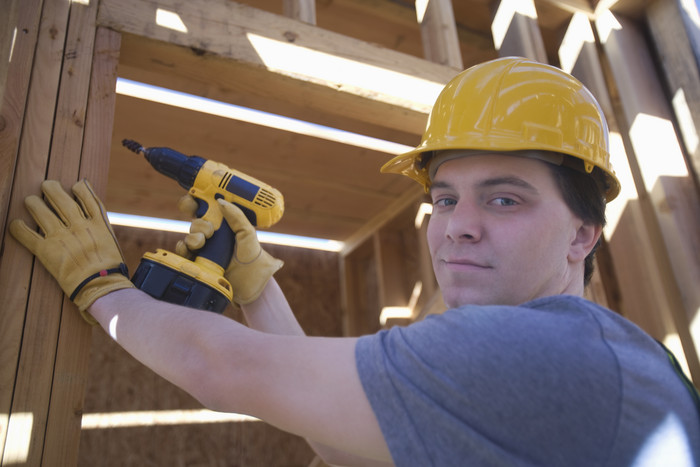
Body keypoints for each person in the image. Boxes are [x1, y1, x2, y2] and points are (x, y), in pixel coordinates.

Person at [10, 57, 700, 466]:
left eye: (506, 200)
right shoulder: (576, 365)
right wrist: (256, 281)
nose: (458, 227)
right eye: (446, 198)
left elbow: (222, 365)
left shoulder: (543, 350)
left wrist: (102, 285)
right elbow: (340, 439)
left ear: (583, 234)